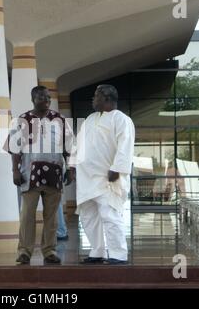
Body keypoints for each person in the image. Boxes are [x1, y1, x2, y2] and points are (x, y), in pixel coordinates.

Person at [5, 86, 75, 265]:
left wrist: (71, 169)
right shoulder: (23, 120)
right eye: (41, 97)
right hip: (29, 175)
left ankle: (49, 250)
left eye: (48, 97)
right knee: (27, 215)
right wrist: (15, 170)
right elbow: (14, 148)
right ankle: (24, 252)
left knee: (51, 216)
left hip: (55, 173)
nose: (46, 100)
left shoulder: (60, 120)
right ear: (33, 99)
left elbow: (70, 147)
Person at [76, 85, 135, 265]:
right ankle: (97, 251)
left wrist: (116, 169)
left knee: (110, 215)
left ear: (106, 97)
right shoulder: (90, 119)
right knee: (88, 216)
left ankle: (118, 254)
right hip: (86, 178)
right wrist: (71, 167)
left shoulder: (121, 119)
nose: (93, 99)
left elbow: (125, 146)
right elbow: (78, 144)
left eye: (96, 96)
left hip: (107, 178)